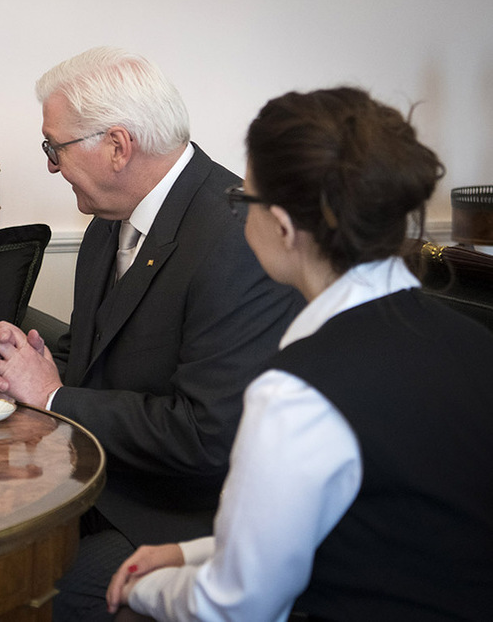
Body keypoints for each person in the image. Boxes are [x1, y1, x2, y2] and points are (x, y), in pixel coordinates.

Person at [106, 87, 493, 621]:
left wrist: (141, 590)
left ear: (284, 226)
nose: (240, 217)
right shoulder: (473, 339)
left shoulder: (296, 393)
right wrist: (190, 552)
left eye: (244, 200)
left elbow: (235, 607)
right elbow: (376, 515)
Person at [0, 47, 303, 620]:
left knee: (21, 587)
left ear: (118, 146)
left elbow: (205, 435)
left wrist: (51, 395)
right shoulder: (110, 218)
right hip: (98, 481)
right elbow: (98, 349)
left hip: (176, 516)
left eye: (56, 148)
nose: (51, 165)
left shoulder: (236, 240)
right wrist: (23, 365)